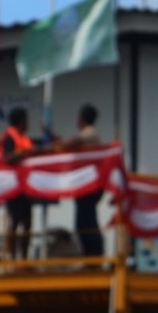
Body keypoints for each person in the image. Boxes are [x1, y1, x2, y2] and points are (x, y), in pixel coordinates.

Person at [54, 104, 105, 258]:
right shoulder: (89, 135)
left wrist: (52, 138)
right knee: (84, 221)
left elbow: (70, 143)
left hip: (89, 185)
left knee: (86, 222)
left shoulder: (90, 134)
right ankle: (90, 255)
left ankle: (94, 255)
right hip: (85, 184)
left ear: (82, 119)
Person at [0, 107, 36, 259]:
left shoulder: (25, 138)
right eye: (26, 120)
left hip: (26, 187)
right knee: (14, 222)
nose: (28, 123)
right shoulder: (10, 137)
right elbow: (7, 158)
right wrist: (21, 153)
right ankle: (13, 258)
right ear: (21, 121)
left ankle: (24, 258)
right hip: (13, 187)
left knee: (27, 223)